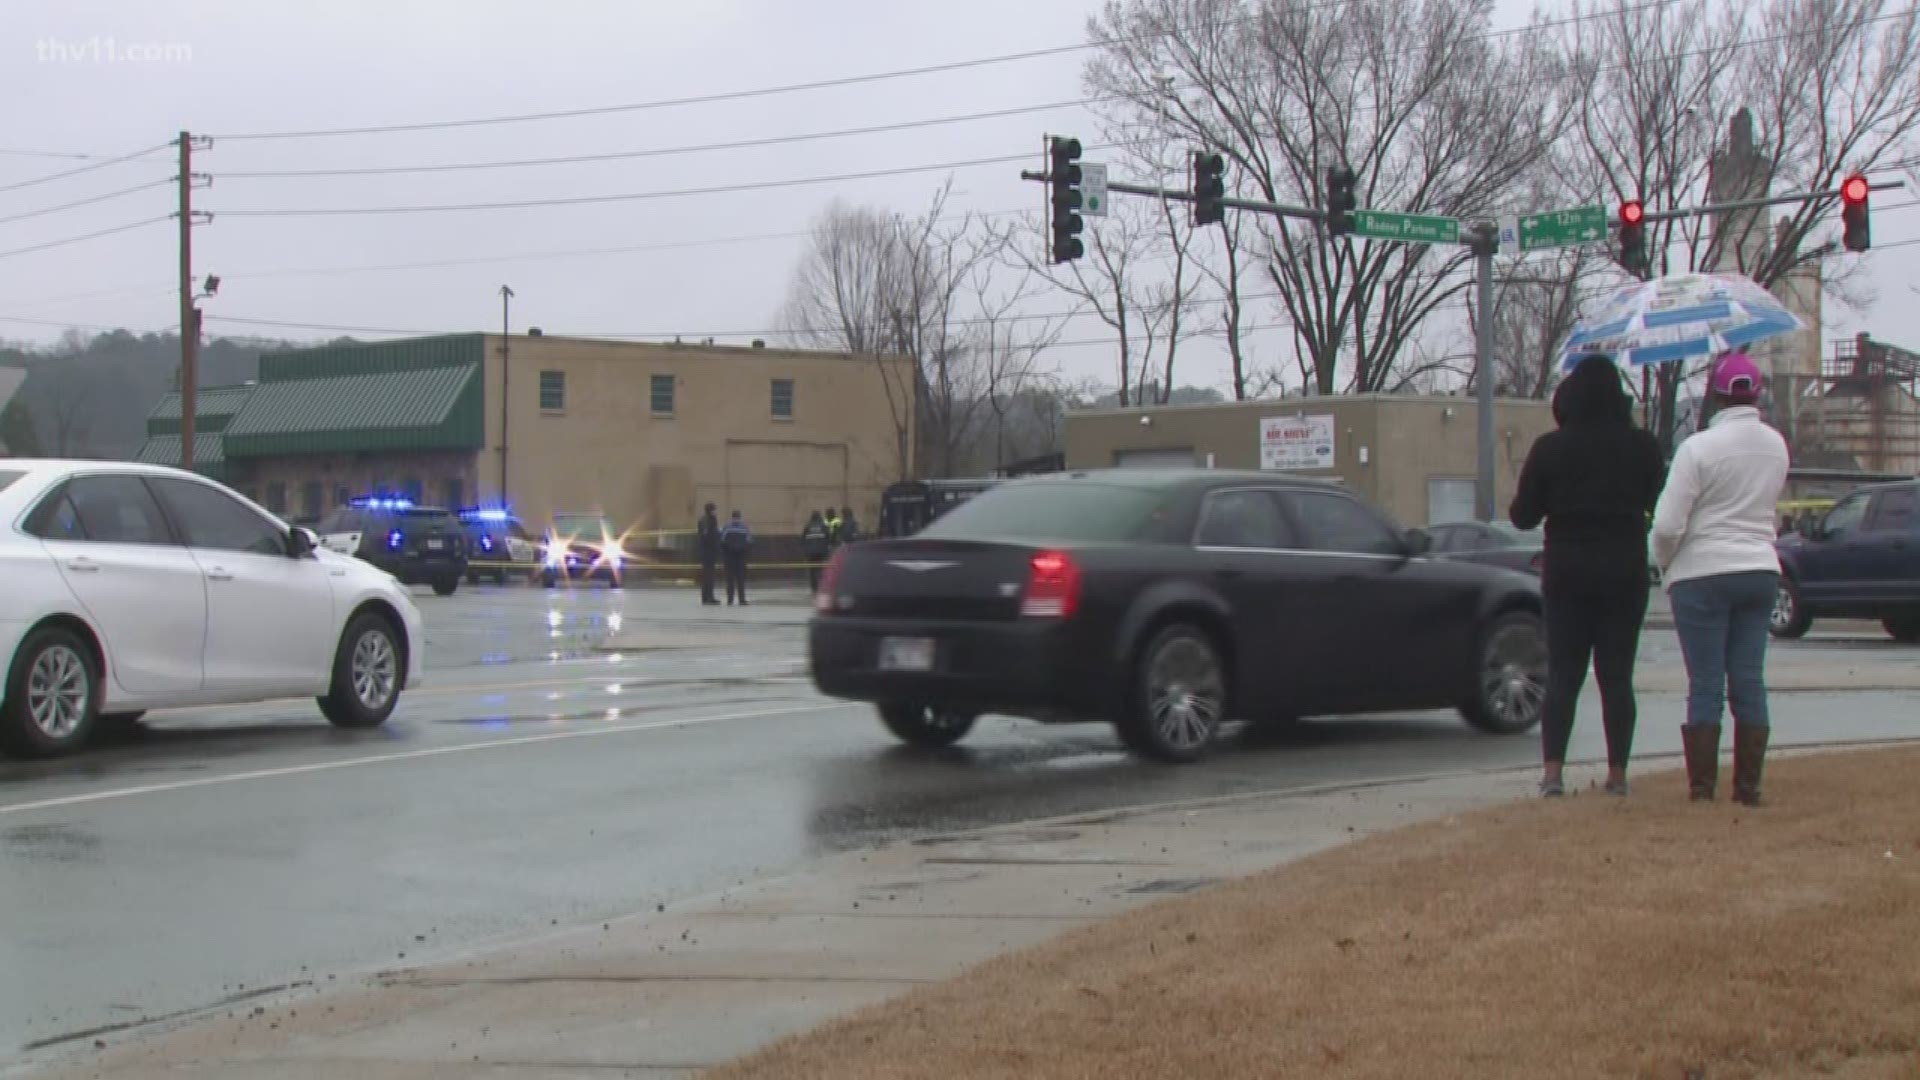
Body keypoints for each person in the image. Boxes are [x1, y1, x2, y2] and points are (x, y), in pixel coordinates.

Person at [1509, 353, 1667, 798]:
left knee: (1564, 674)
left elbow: (1523, 516)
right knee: (1617, 677)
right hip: (1625, 570)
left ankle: (1554, 773)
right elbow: (1660, 498)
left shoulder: (1551, 449)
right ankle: (1617, 775)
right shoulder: (1643, 447)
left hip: (1567, 571)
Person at [1651, 352, 1790, 806]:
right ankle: (1748, 787)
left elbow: (1668, 525)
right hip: (1759, 568)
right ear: (1757, 393)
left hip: (1703, 572)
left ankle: (1702, 788)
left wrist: (1665, 562)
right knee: (1749, 677)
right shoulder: (1776, 446)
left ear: (1715, 394)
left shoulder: (1698, 449)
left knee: (1706, 681)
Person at [719, 509, 752, 606]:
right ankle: (742, 599)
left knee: (730, 579)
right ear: (740, 517)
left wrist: (726, 551)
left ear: (732, 517)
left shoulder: (727, 527)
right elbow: (749, 541)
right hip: (741, 557)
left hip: (729, 557)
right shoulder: (745, 527)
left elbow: (722, 541)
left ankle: (730, 599)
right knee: (741, 578)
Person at [695, 503, 721, 605]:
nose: (715, 511)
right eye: (714, 509)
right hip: (708, 552)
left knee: (708, 575)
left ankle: (707, 596)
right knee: (708, 575)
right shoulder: (708, 520)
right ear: (711, 510)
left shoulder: (706, 519)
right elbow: (707, 535)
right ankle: (708, 597)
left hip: (706, 551)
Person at [801, 509, 831, 591]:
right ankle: (821, 586)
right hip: (821, 552)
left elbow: (803, 540)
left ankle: (814, 588)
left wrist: (805, 551)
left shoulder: (807, 526)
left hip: (810, 553)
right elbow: (828, 538)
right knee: (821, 569)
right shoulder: (824, 526)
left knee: (812, 570)